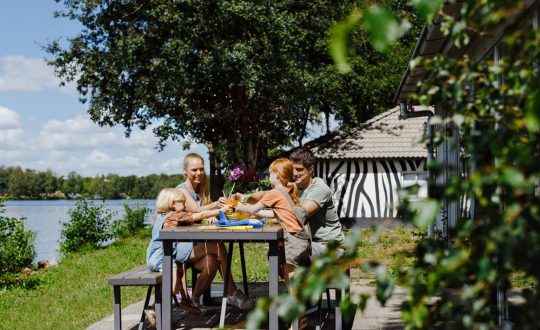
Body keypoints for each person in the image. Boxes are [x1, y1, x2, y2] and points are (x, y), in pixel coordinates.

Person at [174, 153, 254, 310]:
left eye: (201, 169)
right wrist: (217, 205)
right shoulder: (181, 191)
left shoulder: (200, 190)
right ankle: (233, 294)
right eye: (194, 170)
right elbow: (197, 210)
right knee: (217, 246)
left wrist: (211, 218)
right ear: (185, 170)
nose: (199, 173)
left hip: (194, 246)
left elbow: (197, 217)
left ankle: (193, 300)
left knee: (212, 261)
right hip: (178, 247)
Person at [146, 188, 231, 320]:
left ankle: (181, 302)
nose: (185, 206)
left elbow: (190, 219)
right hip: (161, 257)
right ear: (173, 203)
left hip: (165, 255)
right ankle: (154, 307)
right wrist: (220, 210)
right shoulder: (174, 215)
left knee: (176, 283)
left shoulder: (163, 215)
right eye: (183, 203)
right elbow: (200, 215)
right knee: (174, 285)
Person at [235, 158, 311, 282]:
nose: (269, 177)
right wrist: (253, 211)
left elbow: (253, 209)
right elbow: (274, 213)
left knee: (291, 278)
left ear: (276, 174)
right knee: (292, 276)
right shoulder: (288, 190)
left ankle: (294, 300)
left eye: (270, 174)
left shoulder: (275, 192)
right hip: (302, 239)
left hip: (293, 241)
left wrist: (239, 206)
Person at [289, 147, 345, 259]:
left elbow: (300, 214)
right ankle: (296, 277)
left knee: (291, 252)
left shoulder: (319, 188)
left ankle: (298, 277)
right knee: (275, 252)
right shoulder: (296, 188)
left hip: (330, 245)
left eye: (299, 169)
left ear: (310, 169)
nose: (295, 174)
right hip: (311, 242)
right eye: (292, 169)